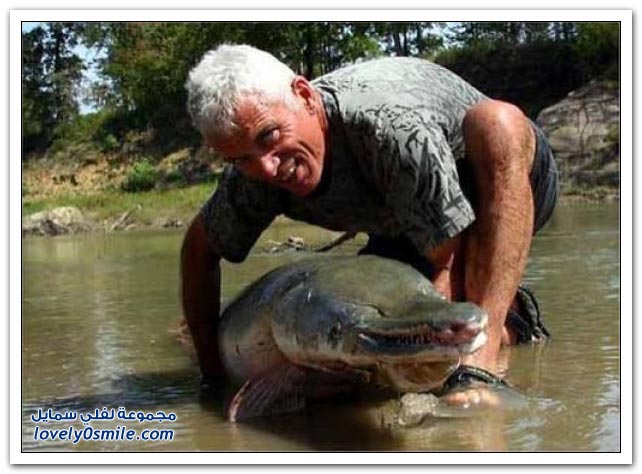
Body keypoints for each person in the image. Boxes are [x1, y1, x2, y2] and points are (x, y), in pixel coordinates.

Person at [181, 44, 558, 407]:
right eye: (241, 159)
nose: (266, 167)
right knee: (371, 323)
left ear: (305, 96)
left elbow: (448, 257)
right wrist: (213, 376)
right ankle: (502, 323)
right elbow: (199, 252)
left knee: (496, 123)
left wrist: (441, 364)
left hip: (495, 186)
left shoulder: (388, 127)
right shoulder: (254, 174)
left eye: (269, 136)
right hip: (402, 224)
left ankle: (484, 359)